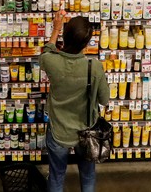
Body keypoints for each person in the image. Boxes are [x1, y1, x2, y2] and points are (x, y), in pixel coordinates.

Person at [40, 10, 109, 192]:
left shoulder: (50, 61)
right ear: (86, 44)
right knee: (87, 175)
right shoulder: (93, 67)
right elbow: (104, 99)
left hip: (58, 132)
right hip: (86, 132)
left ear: (65, 36)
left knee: (56, 175)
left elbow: (47, 49)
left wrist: (55, 28)